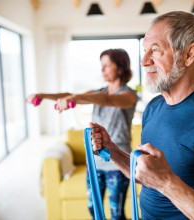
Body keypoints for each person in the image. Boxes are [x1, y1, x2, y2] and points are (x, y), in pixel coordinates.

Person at [90, 11, 194, 220]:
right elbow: (148, 176)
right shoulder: (153, 107)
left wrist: (167, 182)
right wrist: (113, 151)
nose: (144, 61)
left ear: (189, 54)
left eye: (155, 50)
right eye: (145, 50)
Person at [26, 49, 138, 220]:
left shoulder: (129, 95)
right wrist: (43, 96)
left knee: (117, 214)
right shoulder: (97, 93)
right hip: (94, 162)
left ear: (121, 68)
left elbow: (106, 100)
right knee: (93, 211)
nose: (103, 70)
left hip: (118, 164)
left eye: (107, 66)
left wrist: (75, 99)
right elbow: (70, 95)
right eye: (102, 66)